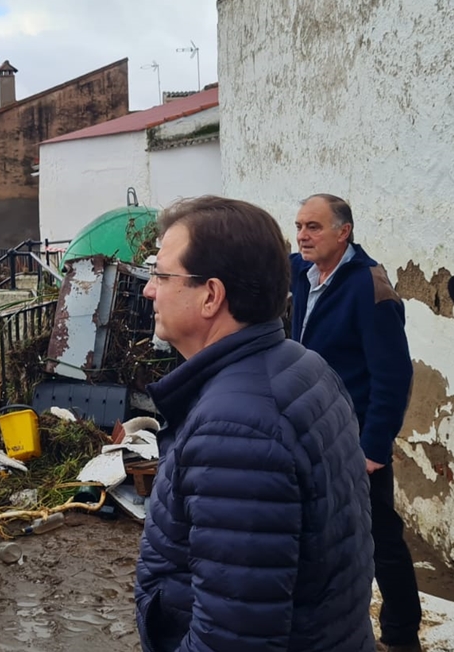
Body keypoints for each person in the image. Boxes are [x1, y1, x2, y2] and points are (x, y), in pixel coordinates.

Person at [135, 196, 374, 651]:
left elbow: (233, 638)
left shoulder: (236, 429)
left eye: (162, 275)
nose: (150, 289)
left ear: (211, 296)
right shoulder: (302, 365)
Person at [291, 193, 421, 651]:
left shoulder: (370, 285)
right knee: (317, 532)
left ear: (343, 231)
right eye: (300, 226)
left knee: (380, 538)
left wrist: (373, 448)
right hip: (309, 431)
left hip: (353, 437)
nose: (303, 235)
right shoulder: (298, 272)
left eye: (314, 227)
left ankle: (403, 636)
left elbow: (393, 375)